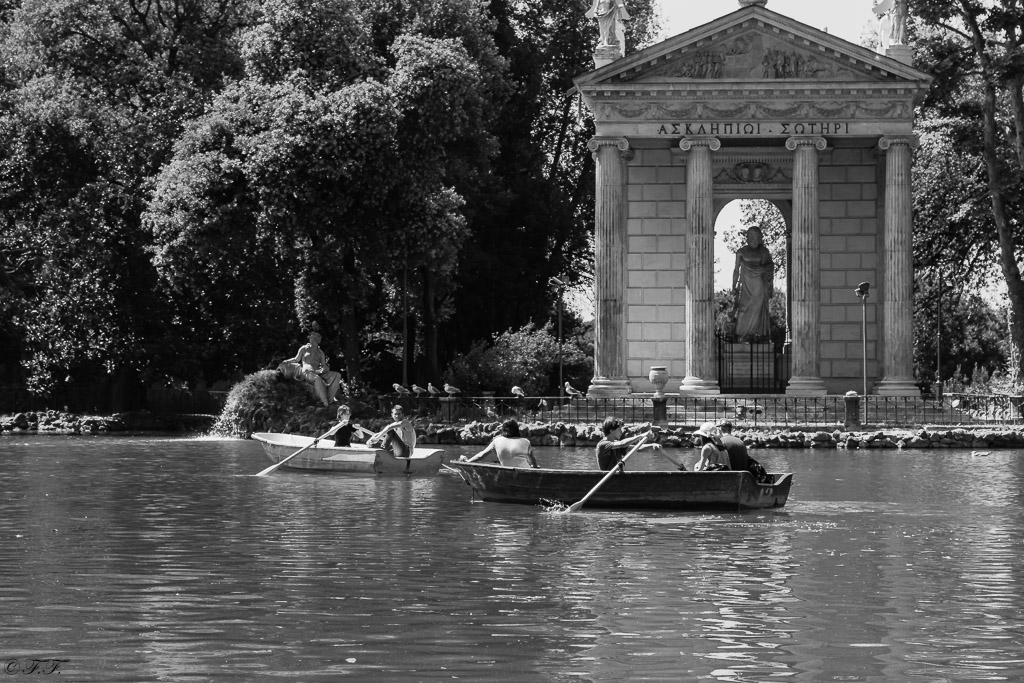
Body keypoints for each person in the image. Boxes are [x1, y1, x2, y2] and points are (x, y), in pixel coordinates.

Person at [732, 226, 775, 341]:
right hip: (746, 285)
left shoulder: (764, 252)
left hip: (759, 285)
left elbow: (770, 266)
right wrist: (734, 286)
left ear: (759, 238)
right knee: (744, 308)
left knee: (758, 308)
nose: (752, 239)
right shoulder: (741, 252)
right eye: (750, 236)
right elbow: (736, 270)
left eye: (755, 236)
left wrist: (765, 271)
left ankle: (757, 334)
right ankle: (742, 334)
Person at [282, 332, 342, 407]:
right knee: (317, 379)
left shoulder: (320, 353)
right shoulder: (304, 348)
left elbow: (324, 365)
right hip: (306, 372)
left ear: (317, 341)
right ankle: (325, 402)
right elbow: (296, 359)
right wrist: (287, 361)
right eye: (310, 338)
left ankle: (330, 398)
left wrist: (322, 370)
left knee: (337, 375)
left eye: (312, 339)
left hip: (317, 372)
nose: (310, 340)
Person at [460, 419, 538, 468]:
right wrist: (535, 467)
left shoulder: (497, 441)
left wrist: (468, 462)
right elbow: (532, 460)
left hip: (507, 473)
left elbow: (481, 455)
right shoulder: (526, 442)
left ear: (505, 431)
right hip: (525, 471)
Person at [595, 416, 661, 471]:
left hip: (617, 477)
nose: (621, 432)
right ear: (611, 430)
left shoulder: (616, 444)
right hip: (608, 478)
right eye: (619, 429)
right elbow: (622, 443)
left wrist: (651, 445)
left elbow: (637, 448)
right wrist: (642, 435)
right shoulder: (603, 445)